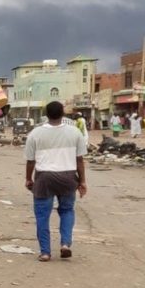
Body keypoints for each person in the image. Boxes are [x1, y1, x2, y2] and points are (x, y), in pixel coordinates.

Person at [25, 101, 88, 262]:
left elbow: (30, 161)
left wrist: (28, 179)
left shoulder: (35, 134)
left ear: (46, 114)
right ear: (63, 113)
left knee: (42, 216)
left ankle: (45, 252)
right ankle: (65, 244)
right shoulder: (74, 132)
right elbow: (79, 160)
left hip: (44, 178)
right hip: (68, 177)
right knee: (67, 211)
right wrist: (82, 182)